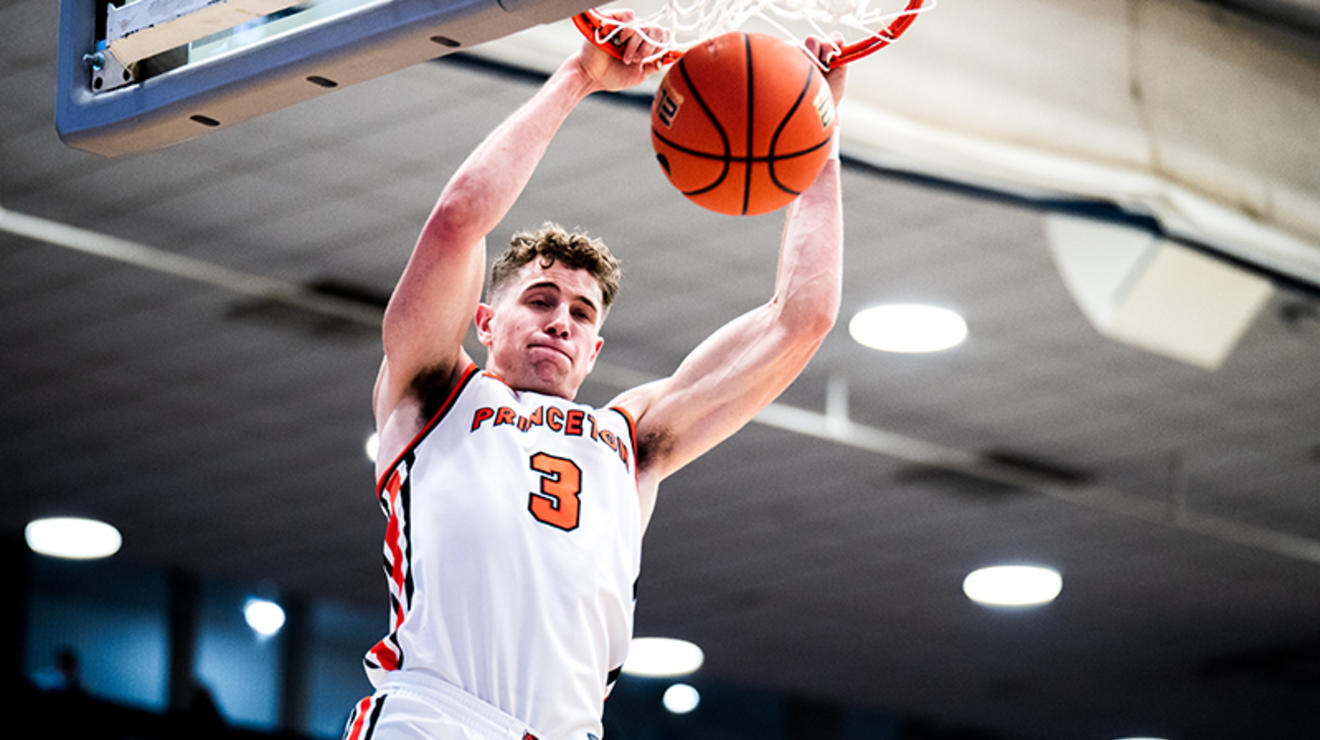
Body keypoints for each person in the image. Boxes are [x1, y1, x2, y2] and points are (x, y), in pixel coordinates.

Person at [344, 17, 847, 740]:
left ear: (595, 348)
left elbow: (802, 318)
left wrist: (816, 131)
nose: (561, 322)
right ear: (485, 322)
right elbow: (458, 220)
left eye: (581, 313)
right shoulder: (436, 392)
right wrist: (580, 76)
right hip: (431, 720)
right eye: (541, 300)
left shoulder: (630, 440)